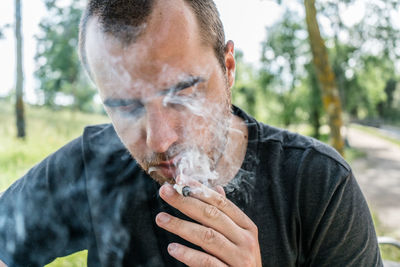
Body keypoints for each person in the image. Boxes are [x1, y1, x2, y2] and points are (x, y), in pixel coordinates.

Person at [0, 0, 383, 266]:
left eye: (181, 92)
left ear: (228, 67)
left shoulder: (318, 184)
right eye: (125, 107)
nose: (160, 140)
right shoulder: (93, 164)